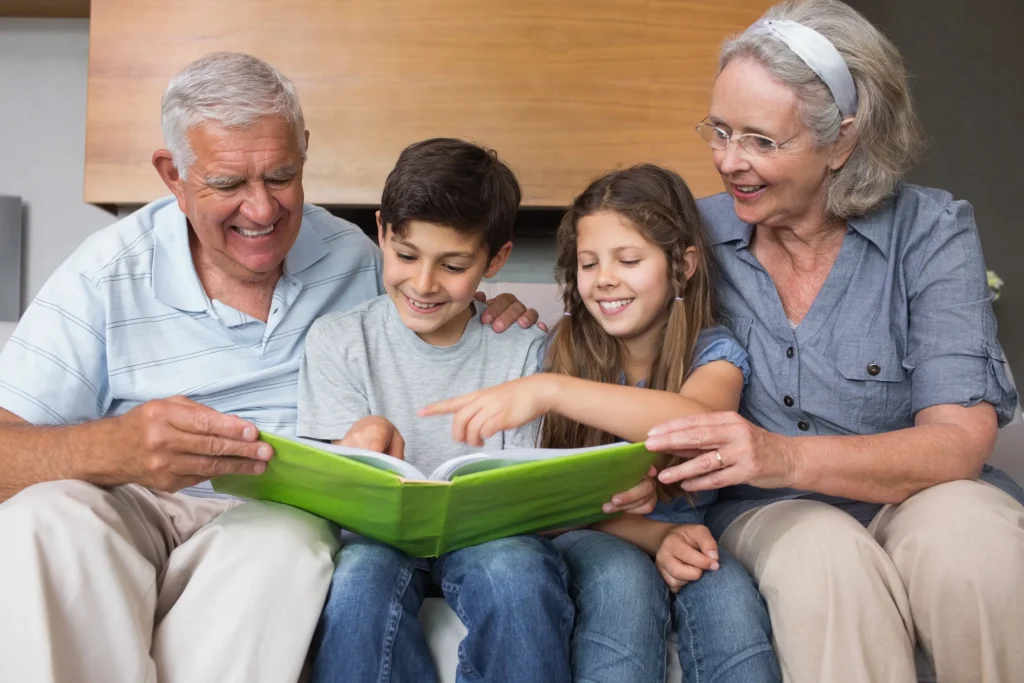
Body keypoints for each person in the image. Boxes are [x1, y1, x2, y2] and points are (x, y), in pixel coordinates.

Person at [0, 53, 548, 683]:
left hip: (270, 516)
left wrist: (492, 309)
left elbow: (428, 304)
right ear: (173, 176)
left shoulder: (354, 256)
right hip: (133, 504)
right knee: (43, 520)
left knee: (288, 544)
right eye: (228, 184)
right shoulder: (103, 274)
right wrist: (112, 447)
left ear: (305, 153)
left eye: (281, 177)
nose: (261, 211)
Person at [639, 2, 1024, 681]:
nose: (729, 161)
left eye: (762, 141)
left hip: (920, 492)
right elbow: (599, 315)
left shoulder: (931, 232)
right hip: (768, 511)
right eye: (720, 131)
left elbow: (960, 439)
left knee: (973, 545)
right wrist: (505, 313)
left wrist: (783, 453)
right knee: (823, 557)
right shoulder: (690, 235)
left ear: (842, 141)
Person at [425, 164, 780, 683]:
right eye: (589, 264)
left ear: (683, 266)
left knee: (727, 596)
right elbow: (542, 503)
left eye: (629, 259)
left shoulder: (713, 353)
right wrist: (649, 536)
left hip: (688, 533)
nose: (606, 278)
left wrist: (553, 391)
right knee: (621, 581)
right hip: (588, 532)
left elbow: (698, 421)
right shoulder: (558, 351)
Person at [299, 138, 574, 683]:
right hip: (377, 541)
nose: (423, 285)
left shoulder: (522, 348)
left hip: (491, 537)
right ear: (381, 232)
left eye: (452, 265)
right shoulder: (338, 340)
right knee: (357, 583)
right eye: (405, 256)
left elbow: (526, 495)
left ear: (496, 259)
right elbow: (331, 494)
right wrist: (354, 445)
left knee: (518, 575)